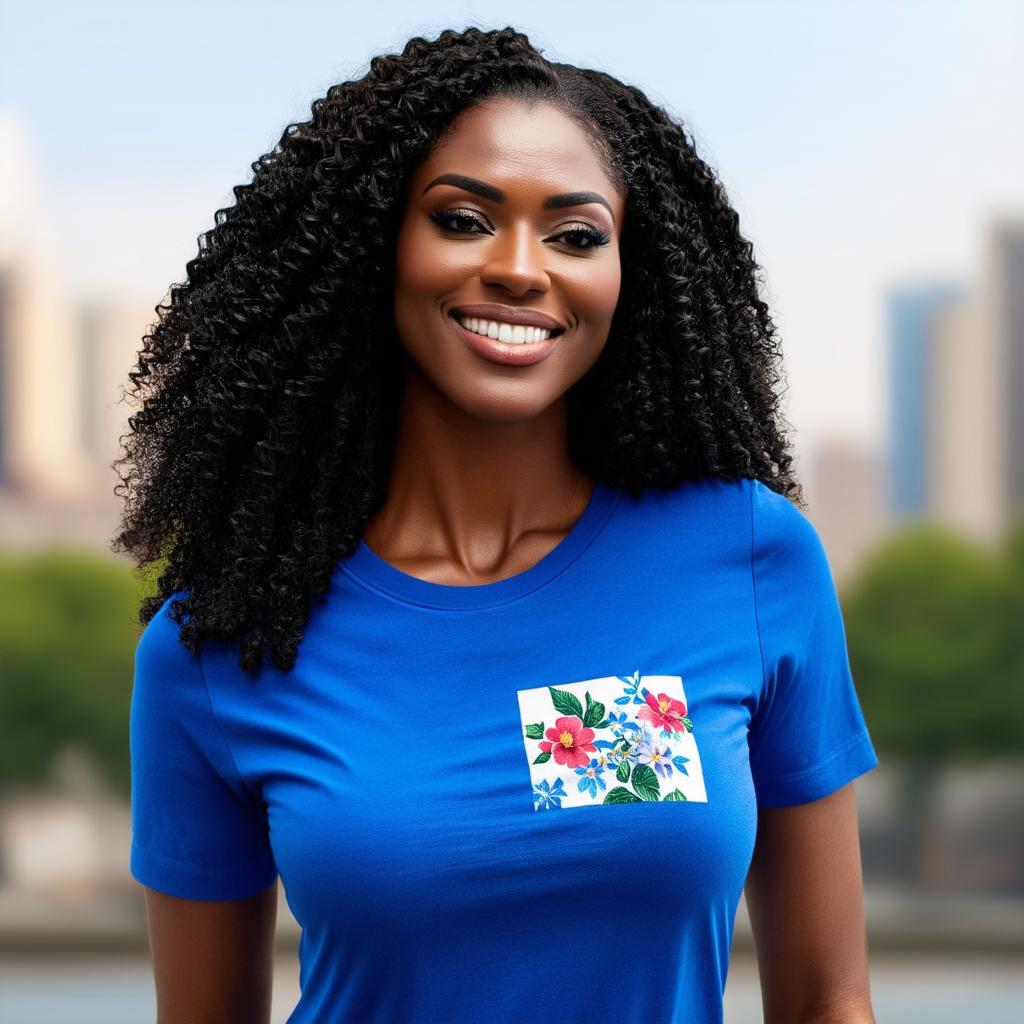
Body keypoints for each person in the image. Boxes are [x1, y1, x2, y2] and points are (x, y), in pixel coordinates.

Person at [115, 25, 879, 1024]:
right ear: (373, 246)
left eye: (575, 235)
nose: (522, 268)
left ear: (628, 272)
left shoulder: (748, 559)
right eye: (464, 218)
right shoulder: (222, 640)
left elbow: (828, 998)